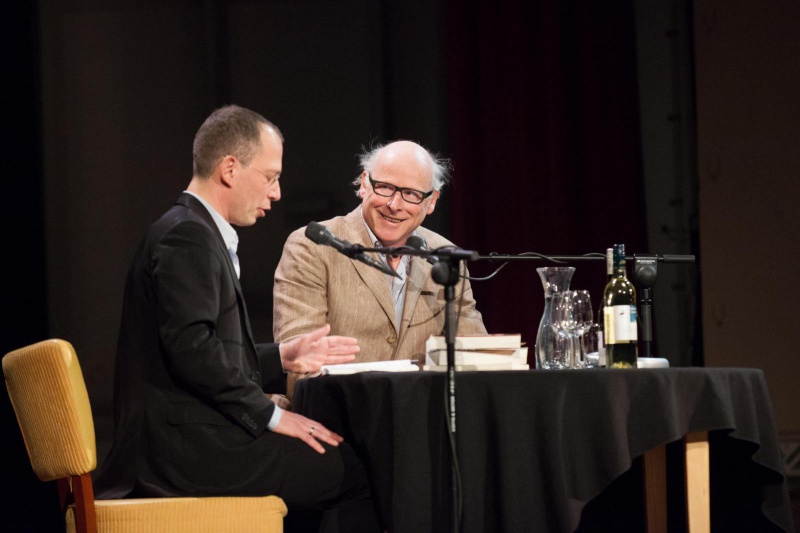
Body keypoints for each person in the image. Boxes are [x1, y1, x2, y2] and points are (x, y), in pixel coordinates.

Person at [93, 105, 379, 532]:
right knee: (360, 470)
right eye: (270, 177)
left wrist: (283, 356)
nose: (277, 193)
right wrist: (272, 415)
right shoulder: (188, 235)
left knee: (329, 461)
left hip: (187, 443)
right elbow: (192, 350)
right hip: (183, 453)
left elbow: (203, 348)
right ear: (229, 168)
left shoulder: (191, 229)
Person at [273, 140, 486, 396]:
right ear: (364, 183)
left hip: (419, 420)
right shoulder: (313, 246)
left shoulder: (445, 256)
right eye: (384, 187)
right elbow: (300, 367)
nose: (395, 204)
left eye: (411, 194)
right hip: (338, 417)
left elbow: (477, 359)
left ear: (431, 202)